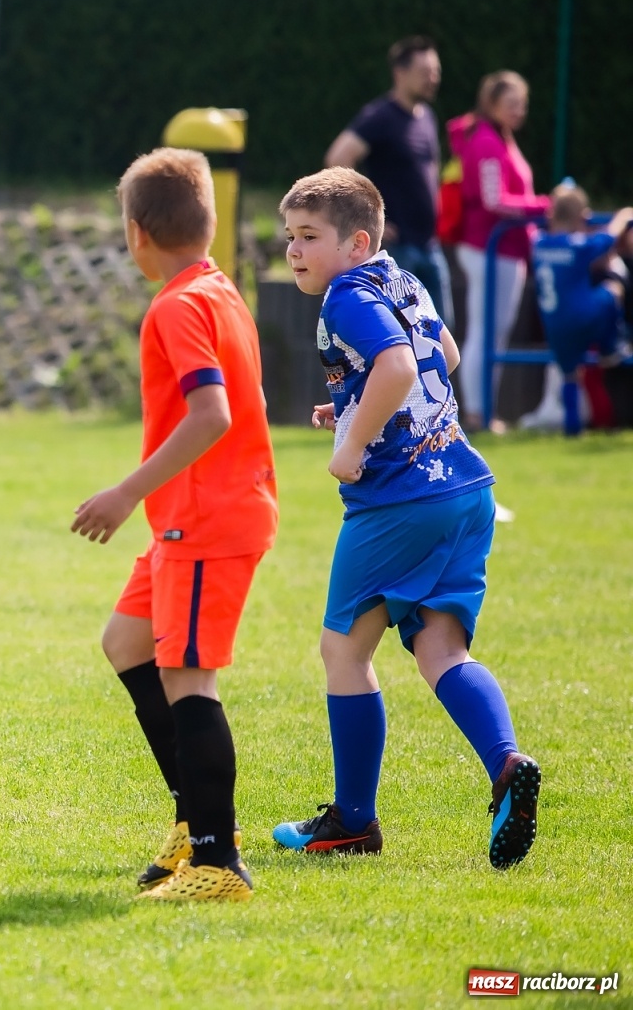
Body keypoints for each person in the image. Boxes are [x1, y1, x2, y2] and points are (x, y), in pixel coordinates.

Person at [272, 167, 540, 871]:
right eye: (289, 236)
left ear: (356, 242)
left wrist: (355, 442)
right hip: (466, 489)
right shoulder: (403, 280)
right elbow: (439, 357)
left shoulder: (346, 292)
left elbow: (394, 361)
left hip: (399, 503)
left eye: (309, 237)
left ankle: (353, 821)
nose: (294, 251)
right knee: (440, 650)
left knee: (344, 652)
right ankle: (508, 764)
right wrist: (361, 399)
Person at [72, 148, 278, 902]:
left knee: (189, 675)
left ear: (136, 234)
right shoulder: (218, 289)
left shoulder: (178, 305)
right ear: (209, 221)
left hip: (206, 518)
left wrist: (125, 492)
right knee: (126, 642)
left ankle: (219, 862)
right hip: (194, 518)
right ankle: (194, 826)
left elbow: (212, 413)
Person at [452, 71, 555, 430]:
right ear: (492, 104)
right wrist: (543, 206)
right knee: (486, 332)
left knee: (493, 332)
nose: (519, 111)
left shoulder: (499, 138)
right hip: (489, 250)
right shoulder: (486, 141)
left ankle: (484, 410)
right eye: (511, 104)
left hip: (504, 251)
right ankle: (478, 413)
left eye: (522, 104)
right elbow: (493, 199)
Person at [326, 36, 451, 320]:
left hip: (429, 245)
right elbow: (338, 156)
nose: (432, 79)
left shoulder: (426, 117)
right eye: (424, 73)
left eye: (436, 72)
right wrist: (363, 215)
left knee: (439, 331)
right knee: (402, 329)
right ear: (400, 73)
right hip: (399, 246)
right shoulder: (380, 117)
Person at [532, 182, 633, 435]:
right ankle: (612, 346)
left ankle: (572, 430)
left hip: (554, 325)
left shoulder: (540, 244)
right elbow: (610, 235)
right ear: (582, 217)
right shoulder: (577, 246)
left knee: (569, 375)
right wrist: (624, 215)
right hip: (581, 315)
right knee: (613, 289)